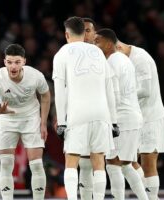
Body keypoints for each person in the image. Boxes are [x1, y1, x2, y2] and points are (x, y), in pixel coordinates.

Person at [53, 16, 117, 200]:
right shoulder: (98, 53)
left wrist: (62, 122)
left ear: (67, 34)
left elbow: (60, 91)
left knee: (72, 160)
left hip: (77, 113)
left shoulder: (62, 54)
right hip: (101, 113)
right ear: (84, 32)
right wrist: (113, 121)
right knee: (99, 162)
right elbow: (109, 88)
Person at [0, 44, 51, 200]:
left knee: (36, 164)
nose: (13, 66)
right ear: (4, 62)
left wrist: (43, 123)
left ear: (24, 62)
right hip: (7, 119)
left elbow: (46, 96)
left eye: (17, 62)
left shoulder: (36, 76)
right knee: (6, 164)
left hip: (31, 118)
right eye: (9, 62)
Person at [95, 28, 148, 200]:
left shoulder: (112, 62)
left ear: (109, 43)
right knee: (126, 165)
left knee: (113, 164)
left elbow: (115, 94)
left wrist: (110, 119)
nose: (95, 44)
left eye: (98, 41)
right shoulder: (124, 60)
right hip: (133, 116)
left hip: (122, 117)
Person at [117, 39, 164, 200]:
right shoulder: (120, 60)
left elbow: (145, 90)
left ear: (118, 46)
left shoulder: (141, 58)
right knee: (127, 161)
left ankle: (152, 198)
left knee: (148, 163)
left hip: (150, 117)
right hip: (134, 117)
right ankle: (150, 198)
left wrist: (119, 96)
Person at [78, 17, 97, 200]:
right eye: (82, 31)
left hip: (103, 115)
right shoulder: (70, 55)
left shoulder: (104, 54)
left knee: (118, 163)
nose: (85, 34)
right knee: (84, 162)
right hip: (80, 113)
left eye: (88, 30)